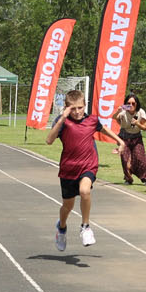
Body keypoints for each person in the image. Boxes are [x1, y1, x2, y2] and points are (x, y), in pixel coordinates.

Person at [45, 88, 121, 251]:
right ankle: (62, 228)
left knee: (85, 191)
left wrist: (120, 141)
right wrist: (62, 118)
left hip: (88, 164)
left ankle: (85, 226)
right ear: (66, 107)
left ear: (84, 105)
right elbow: (49, 140)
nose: (77, 112)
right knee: (67, 206)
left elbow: (103, 129)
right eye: (73, 108)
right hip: (68, 168)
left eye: (80, 107)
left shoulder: (92, 120)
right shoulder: (63, 121)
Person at [114, 93, 146, 185]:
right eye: (128, 103)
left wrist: (137, 123)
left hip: (136, 137)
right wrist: (117, 112)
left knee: (140, 158)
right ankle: (128, 179)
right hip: (124, 138)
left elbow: (145, 127)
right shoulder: (123, 111)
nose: (130, 105)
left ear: (137, 104)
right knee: (125, 159)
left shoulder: (141, 112)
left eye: (133, 103)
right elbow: (114, 117)